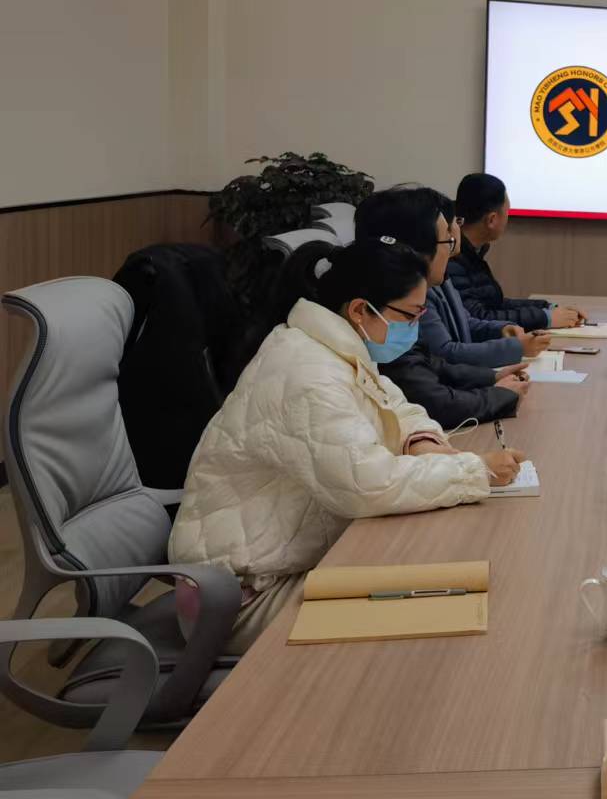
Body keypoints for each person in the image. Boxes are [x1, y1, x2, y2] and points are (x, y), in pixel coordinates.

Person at [169, 238, 525, 652]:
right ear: (360, 310)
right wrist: (475, 470)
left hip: (281, 562)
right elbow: (368, 484)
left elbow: (395, 406)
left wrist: (422, 442)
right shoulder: (308, 373)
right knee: (428, 609)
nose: (416, 327)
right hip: (240, 597)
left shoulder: (333, 345)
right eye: (411, 315)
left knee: (437, 580)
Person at [356, 184, 530, 427]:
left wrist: (491, 377)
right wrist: (499, 394)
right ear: (413, 249)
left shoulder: (407, 294)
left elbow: (430, 363)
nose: (453, 245)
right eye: (446, 238)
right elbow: (432, 400)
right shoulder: (385, 307)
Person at [355, 187, 543, 367]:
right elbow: (443, 356)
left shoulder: (439, 278)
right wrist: (513, 350)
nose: (454, 239)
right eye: (447, 236)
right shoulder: (409, 292)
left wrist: (500, 330)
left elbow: (465, 322)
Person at [448, 173, 584, 329]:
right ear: (492, 220)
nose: (508, 219)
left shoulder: (472, 252)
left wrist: (548, 308)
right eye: (507, 212)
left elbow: (495, 304)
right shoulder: (452, 258)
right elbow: (479, 318)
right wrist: (545, 318)